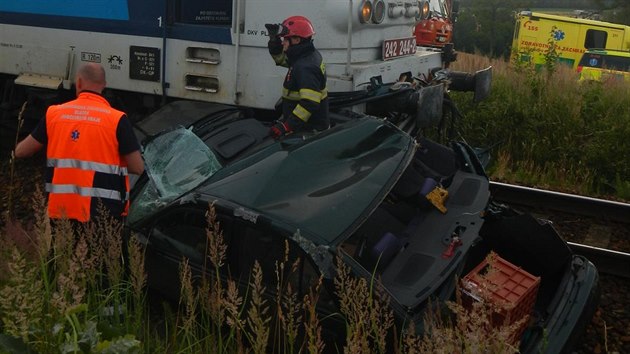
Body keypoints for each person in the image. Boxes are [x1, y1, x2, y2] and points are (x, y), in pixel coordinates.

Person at [14, 63, 144, 223]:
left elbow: (21, 151)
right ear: (104, 85)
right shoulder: (117, 120)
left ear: (79, 82)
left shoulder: (54, 114)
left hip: (61, 211)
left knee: (64, 248)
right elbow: (137, 167)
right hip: (103, 213)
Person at [265, 16, 329, 139]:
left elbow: (309, 103)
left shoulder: (306, 67)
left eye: (285, 39)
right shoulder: (305, 55)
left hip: (309, 131)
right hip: (304, 126)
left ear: (296, 40)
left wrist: (287, 126)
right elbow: (281, 60)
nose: (283, 42)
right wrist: (274, 42)